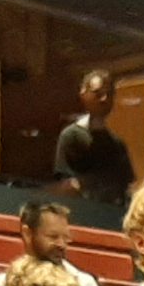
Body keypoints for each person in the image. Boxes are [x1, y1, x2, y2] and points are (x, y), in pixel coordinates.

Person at [53, 69, 137, 207]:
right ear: (83, 94)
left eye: (109, 94)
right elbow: (66, 184)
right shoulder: (71, 136)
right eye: (98, 93)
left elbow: (128, 187)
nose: (104, 99)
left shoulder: (117, 144)